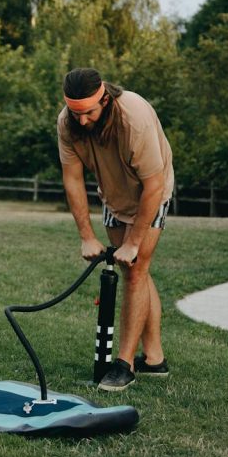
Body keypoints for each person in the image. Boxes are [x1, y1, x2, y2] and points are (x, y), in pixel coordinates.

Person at [57, 67, 174, 391]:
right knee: (136, 273)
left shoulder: (133, 118)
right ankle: (154, 359)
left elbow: (153, 185)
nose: (82, 121)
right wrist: (86, 236)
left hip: (152, 192)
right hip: (113, 196)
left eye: (89, 112)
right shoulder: (68, 123)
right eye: (75, 113)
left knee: (135, 269)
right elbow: (72, 179)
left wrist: (134, 242)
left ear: (105, 99)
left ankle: (124, 365)